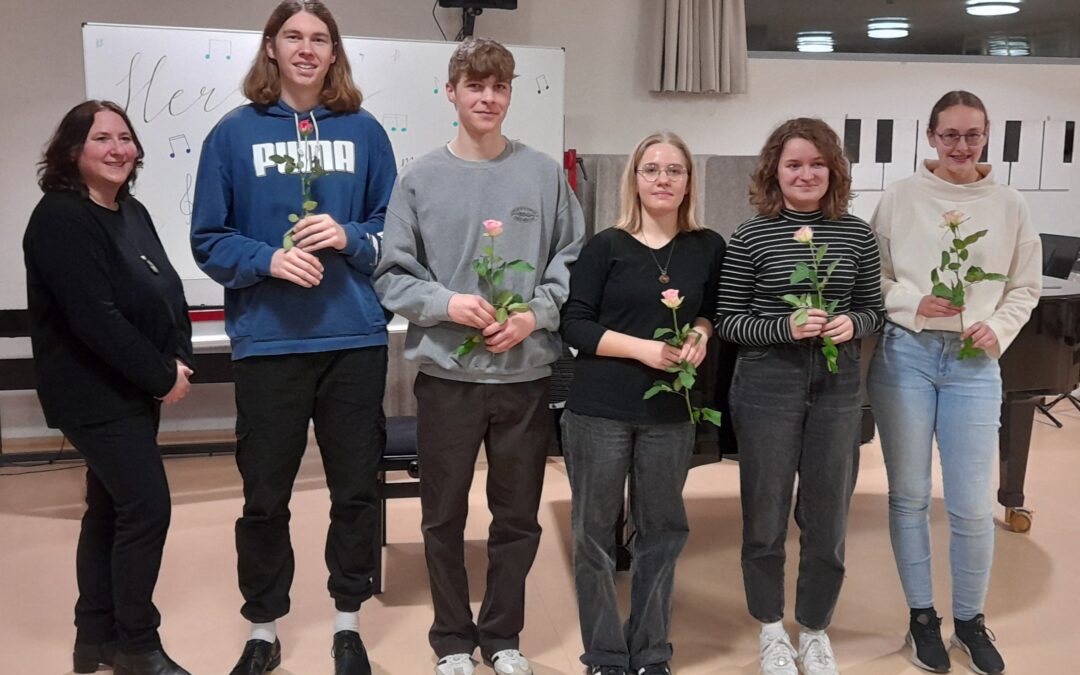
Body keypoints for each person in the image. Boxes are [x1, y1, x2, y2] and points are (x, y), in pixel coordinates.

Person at [190, 1, 396, 673]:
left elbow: (393, 230)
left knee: (355, 490)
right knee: (264, 496)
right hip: (268, 342)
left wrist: (350, 235)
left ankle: (346, 621)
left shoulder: (364, 131)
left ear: (334, 53)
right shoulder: (232, 135)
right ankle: (263, 627)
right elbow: (209, 239)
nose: (307, 49)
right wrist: (268, 259)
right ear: (271, 49)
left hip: (353, 341)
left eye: (320, 38)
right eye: (293, 37)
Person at [373, 37, 584, 675]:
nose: (487, 99)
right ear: (452, 93)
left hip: (525, 378)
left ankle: (503, 636)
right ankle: (452, 641)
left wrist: (534, 315)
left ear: (510, 94)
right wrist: (446, 304)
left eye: (499, 88)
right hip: (447, 378)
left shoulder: (544, 174)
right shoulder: (419, 177)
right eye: (475, 87)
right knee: (442, 513)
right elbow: (392, 274)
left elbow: (572, 261)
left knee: (516, 515)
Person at [867, 91, 1041, 675]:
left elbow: (1025, 285)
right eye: (949, 135)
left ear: (988, 135)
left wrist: (998, 325)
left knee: (968, 505)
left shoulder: (1010, 202)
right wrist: (917, 302)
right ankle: (922, 620)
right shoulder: (902, 196)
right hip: (907, 357)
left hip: (973, 362)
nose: (960, 146)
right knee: (910, 496)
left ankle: (970, 619)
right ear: (931, 137)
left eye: (972, 135)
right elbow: (878, 278)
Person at [24, 100, 194, 675]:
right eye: (103, 138)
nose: (119, 148)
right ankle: (137, 646)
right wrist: (160, 375)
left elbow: (166, 291)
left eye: (126, 137)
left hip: (131, 390)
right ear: (74, 151)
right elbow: (94, 318)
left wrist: (178, 358)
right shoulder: (60, 218)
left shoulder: (131, 211)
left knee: (109, 510)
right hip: (91, 393)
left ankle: (93, 639)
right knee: (148, 508)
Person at [715, 118, 884, 675]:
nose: (806, 174)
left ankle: (814, 628)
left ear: (833, 171)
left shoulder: (856, 234)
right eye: (794, 164)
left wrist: (851, 324)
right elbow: (730, 323)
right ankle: (770, 627)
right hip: (767, 387)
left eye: (817, 164)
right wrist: (784, 327)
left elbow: (872, 309)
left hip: (836, 390)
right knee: (764, 514)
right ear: (774, 171)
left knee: (827, 514)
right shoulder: (750, 235)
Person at [559, 132, 725, 675]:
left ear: (688, 182)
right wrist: (645, 351)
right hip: (599, 409)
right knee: (594, 536)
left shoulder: (706, 246)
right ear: (634, 178)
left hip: (668, 414)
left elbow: (713, 312)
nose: (661, 179)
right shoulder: (605, 245)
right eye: (651, 169)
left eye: (673, 170)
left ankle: (652, 650)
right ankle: (605, 655)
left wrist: (698, 333)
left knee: (662, 534)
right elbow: (575, 324)